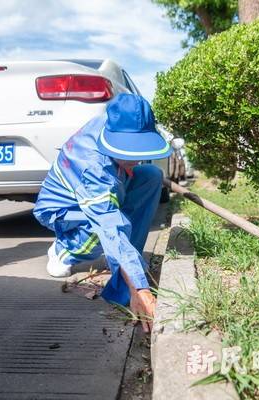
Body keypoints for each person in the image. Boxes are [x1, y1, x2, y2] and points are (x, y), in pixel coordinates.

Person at [33, 93, 172, 332]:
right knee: (104, 233)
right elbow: (111, 228)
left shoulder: (112, 122)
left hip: (103, 187)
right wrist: (141, 289)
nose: (135, 158)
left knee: (151, 176)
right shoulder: (94, 167)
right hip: (63, 210)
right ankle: (64, 250)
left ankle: (122, 282)